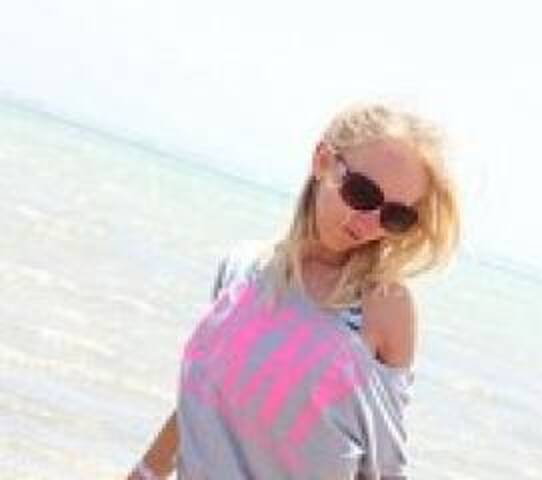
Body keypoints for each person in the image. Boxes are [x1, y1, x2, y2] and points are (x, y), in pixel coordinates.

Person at [127, 103, 460, 479]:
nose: (369, 222)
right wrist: (144, 472)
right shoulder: (242, 269)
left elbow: (386, 467)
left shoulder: (381, 306)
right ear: (323, 161)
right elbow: (202, 401)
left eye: (395, 216)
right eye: (362, 193)